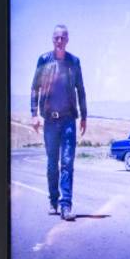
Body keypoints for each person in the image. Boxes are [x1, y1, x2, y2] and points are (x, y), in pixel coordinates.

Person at [30, 25, 89, 222]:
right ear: (52, 39)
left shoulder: (74, 62)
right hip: (49, 121)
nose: (60, 41)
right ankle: (53, 200)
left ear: (68, 39)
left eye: (63, 37)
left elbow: (80, 89)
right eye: (56, 37)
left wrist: (84, 116)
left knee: (67, 163)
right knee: (51, 164)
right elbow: (35, 88)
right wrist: (34, 114)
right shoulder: (44, 60)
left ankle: (66, 205)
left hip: (69, 120)